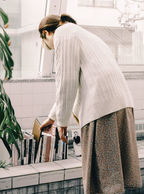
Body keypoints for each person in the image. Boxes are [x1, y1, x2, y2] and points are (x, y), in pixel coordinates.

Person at [38, 14, 142, 194]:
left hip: (102, 109)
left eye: (46, 44)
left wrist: (62, 122)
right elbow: (75, 83)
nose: (50, 48)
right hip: (121, 105)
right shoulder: (84, 35)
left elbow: (66, 81)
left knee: (105, 182)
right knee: (113, 179)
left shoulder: (63, 34)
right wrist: (53, 117)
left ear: (46, 33)